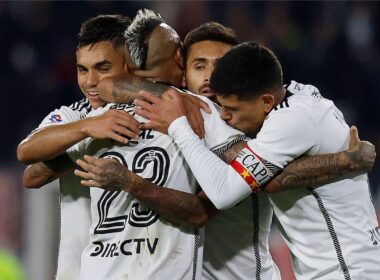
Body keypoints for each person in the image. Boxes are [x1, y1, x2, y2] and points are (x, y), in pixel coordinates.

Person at [80, 13, 376, 279]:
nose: (211, 79)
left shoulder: (255, 123)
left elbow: (239, 187)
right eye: (200, 66)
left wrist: (178, 124)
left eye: (221, 67)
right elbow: (110, 86)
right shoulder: (278, 103)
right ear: (183, 72)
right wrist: (344, 161)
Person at [69, 9, 247, 280]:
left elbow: (35, 171)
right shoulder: (201, 111)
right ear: (180, 57)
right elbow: (245, 172)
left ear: (127, 64)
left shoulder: (98, 117)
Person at [16, 14, 140, 280]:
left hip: (142, 267)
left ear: (130, 65)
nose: (90, 81)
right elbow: (27, 154)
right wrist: (88, 129)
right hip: (81, 272)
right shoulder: (75, 115)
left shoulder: (156, 114)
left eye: (103, 67)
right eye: (83, 69)